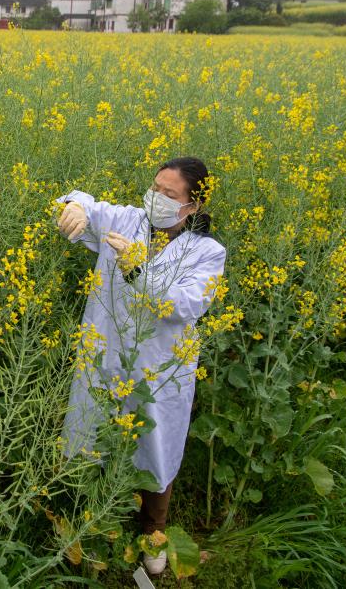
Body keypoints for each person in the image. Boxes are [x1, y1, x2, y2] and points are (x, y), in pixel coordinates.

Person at [55, 157, 226, 576]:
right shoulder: (129, 221)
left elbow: (185, 306)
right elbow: (81, 202)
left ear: (193, 206)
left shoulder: (208, 252)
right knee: (93, 435)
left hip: (160, 368)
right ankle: (92, 523)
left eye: (169, 195)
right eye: (155, 188)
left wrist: (139, 270)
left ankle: (153, 533)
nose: (157, 199)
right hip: (105, 354)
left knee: (156, 449)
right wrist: (73, 205)